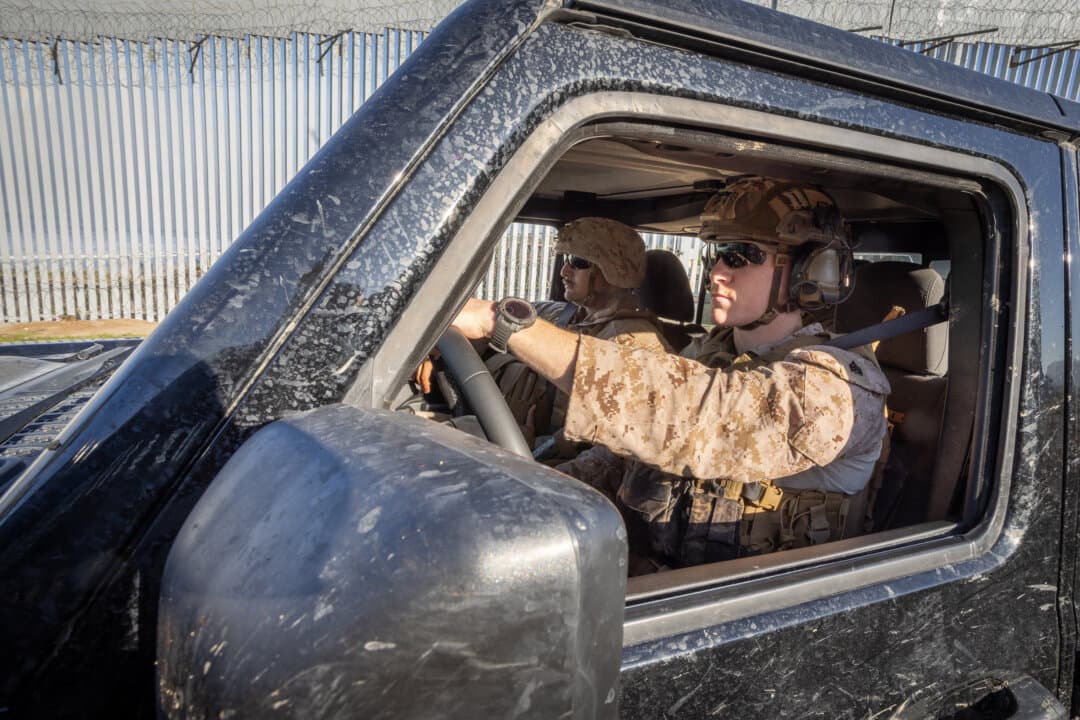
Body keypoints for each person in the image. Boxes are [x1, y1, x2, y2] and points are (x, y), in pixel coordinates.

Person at [451, 178, 890, 572]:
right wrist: (522, 505)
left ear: (807, 272)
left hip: (754, 620)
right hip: (654, 583)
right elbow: (617, 461)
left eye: (741, 255)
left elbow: (701, 413)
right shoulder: (709, 353)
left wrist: (505, 323)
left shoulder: (843, 390)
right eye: (716, 253)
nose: (717, 271)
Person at [485, 217, 670, 452]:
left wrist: (532, 449)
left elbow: (607, 454)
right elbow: (500, 317)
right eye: (565, 261)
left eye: (577, 262)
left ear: (611, 270)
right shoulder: (568, 315)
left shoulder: (634, 345)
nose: (564, 271)